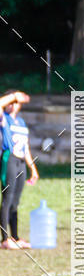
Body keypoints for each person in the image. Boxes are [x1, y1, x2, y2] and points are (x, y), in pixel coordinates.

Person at [0, 90, 38, 249]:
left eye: (15, 102)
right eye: (10, 102)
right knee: (7, 199)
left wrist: (33, 168)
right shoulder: (4, 119)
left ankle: (15, 237)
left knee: (15, 201)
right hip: (9, 159)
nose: (13, 105)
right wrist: (14, 95)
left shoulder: (21, 122)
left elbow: (26, 148)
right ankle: (5, 239)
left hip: (21, 162)